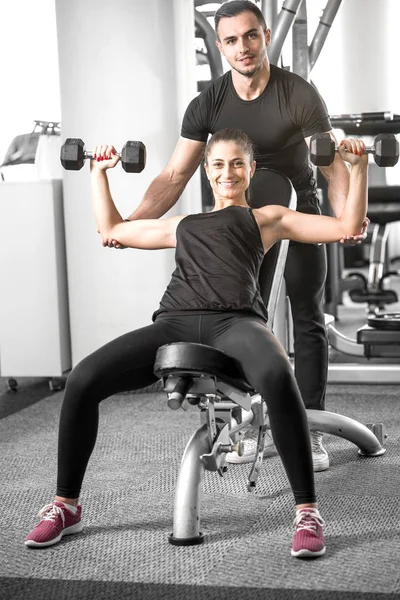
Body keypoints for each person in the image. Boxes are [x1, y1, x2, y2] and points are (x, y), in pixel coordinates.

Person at [25, 127, 368, 558]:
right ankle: (65, 505)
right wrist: (99, 173)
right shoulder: (183, 225)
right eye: (219, 164)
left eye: (238, 163)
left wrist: (358, 169)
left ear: (252, 168)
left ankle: (306, 511)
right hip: (174, 324)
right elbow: (111, 229)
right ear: (207, 171)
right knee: (82, 380)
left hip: (236, 324)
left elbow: (347, 226)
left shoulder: (268, 217)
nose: (229, 172)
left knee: (281, 376)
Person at [101, 0, 368, 472]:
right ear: (221, 46)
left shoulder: (299, 93)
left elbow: (328, 165)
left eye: (250, 36)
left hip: (293, 209)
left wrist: (348, 215)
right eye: (230, 40)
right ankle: (250, 419)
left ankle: (309, 428)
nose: (241, 48)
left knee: (306, 313)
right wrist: (128, 227)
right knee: (245, 321)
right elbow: (173, 176)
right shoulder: (208, 104)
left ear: (264, 36)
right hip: (240, 223)